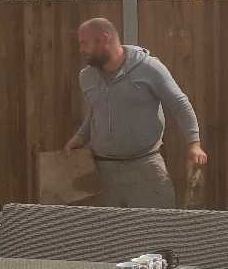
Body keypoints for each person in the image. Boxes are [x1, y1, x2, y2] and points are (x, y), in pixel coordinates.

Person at [65, 17, 207, 208]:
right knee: (105, 234)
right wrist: (81, 137)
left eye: (84, 43)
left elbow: (179, 103)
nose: (81, 49)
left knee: (157, 229)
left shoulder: (148, 68)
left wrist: (194, 143)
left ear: (104, 38)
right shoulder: (87, 76)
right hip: (102, 171)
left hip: (146, 168)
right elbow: (96, 109)